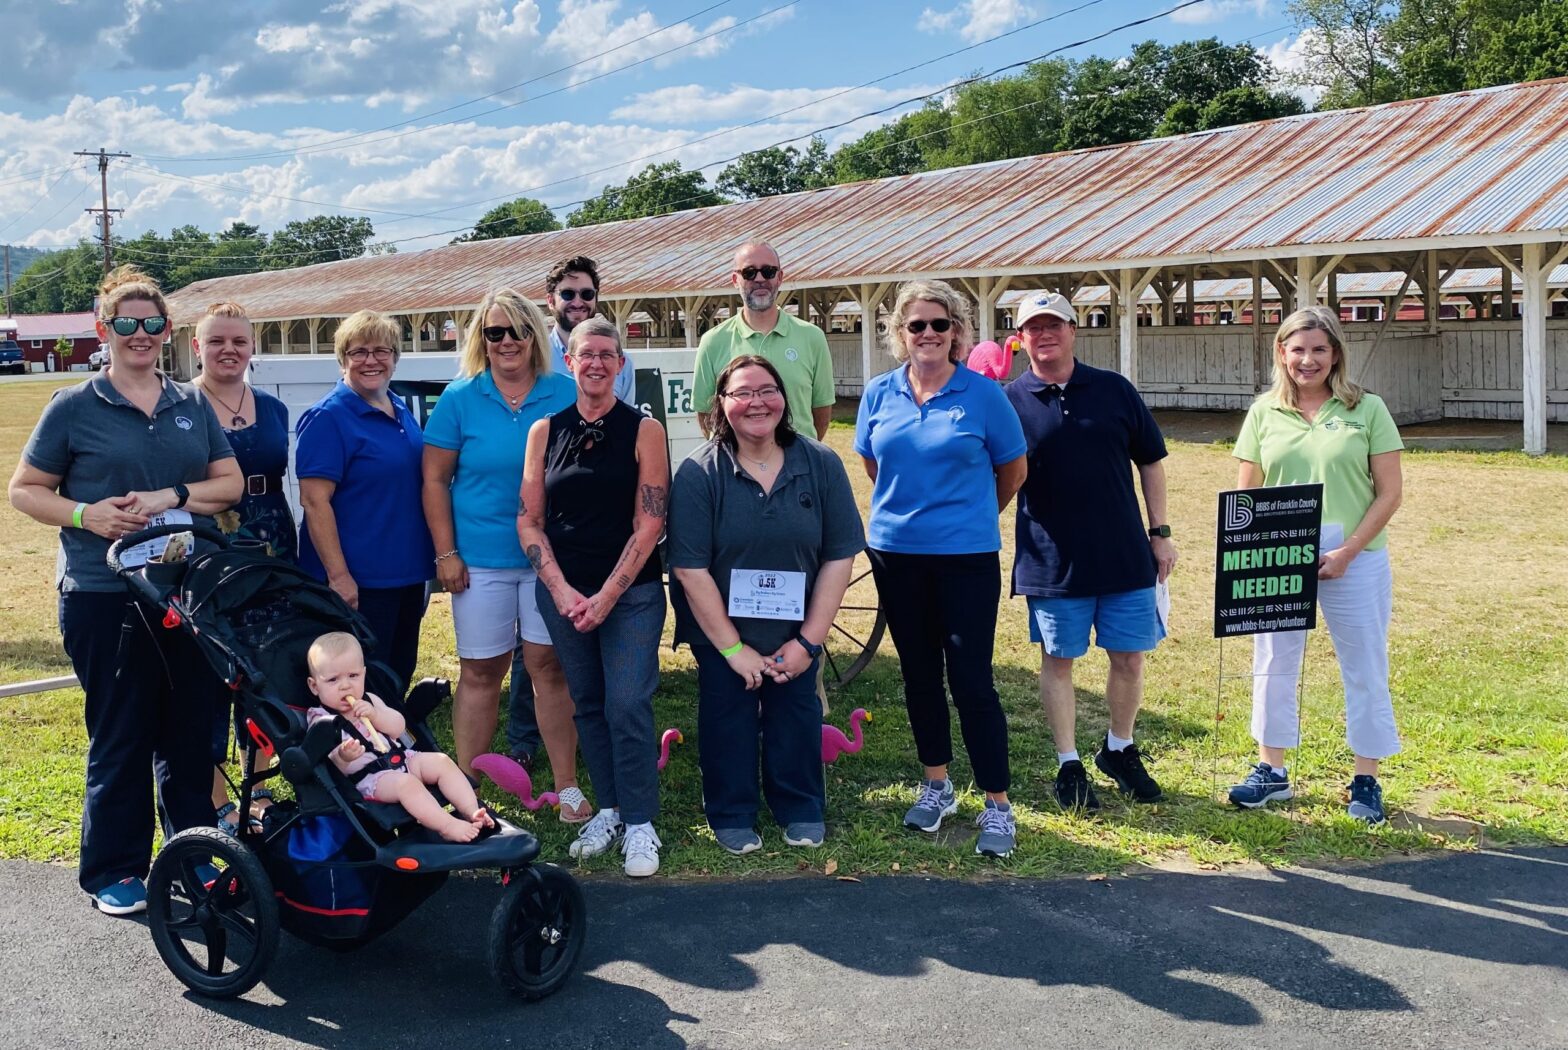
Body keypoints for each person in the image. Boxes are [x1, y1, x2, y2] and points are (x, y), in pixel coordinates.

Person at [8, 265, 243, 915]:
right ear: (102, 328)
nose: (139, 334)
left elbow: (228, 484)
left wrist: (173, 495)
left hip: (185, 591)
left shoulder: (190, 403)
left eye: (151, 323)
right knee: (123, 733)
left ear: (167, 330)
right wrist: (86, 515)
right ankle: (115, 870)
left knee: (190, 734)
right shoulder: (73, 407)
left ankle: (192, 855)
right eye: (125, 323)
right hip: (102, 594)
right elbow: (25, 490)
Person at [854, 279, 1027, 858]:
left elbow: (1013, 471)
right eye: (916, 325)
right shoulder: (879, 393)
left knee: (972, 680)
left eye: (939, 324)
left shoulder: (984, 395)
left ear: (956, 331)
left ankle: (997, 804)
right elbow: (874, 464)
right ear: (900, 333)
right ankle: (937, 785)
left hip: (966, 559)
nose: (928, 334)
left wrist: (970, 516)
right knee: (919, 675)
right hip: (896, 556)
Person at [669, 355, 863, 855]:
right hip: (723, 633)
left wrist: (808, 642)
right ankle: (732, 811)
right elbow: (689, 568)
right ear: (721, 404)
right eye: (742, 393)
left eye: (766, 390)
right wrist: (734, 651)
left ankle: (800, 806)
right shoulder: (698, 472)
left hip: (795, 630)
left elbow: (839, 557)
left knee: (796, 713)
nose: (756, 402)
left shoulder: (820, 464)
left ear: (783, 398)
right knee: (726, 715)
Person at [1228, 305, 1404, 825]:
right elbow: (1248, 496)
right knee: (1273, 661)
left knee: (1365, 665)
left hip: (1356, 556)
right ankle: (1271, 769)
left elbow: (1390, 492)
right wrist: (1251, 559)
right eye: (1298, 349)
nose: (1308, 360)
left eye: (1319, 350)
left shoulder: (1367, 409)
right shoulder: (1264, 412)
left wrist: (1348, 551)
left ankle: (1366, 778)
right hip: (1282, 553)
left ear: (1335, 354)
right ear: (1281, 352)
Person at [1004, 291, 1177, 813]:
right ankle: (1069, 763)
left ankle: (1119, 748)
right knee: (1059, 661)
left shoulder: (1114, 389)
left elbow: (1150, 461)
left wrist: (1160, 532)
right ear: (1021, 338)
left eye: (1054, 324)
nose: (1045, 334)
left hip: (1123, 554)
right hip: (1052, 560)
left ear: (1074, 330)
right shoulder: (1008, 402)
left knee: (1129, 657)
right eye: (1034, 327)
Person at [421, 288, 589, 820]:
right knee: (480, 671)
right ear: (482, 339)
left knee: (549, 668)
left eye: (517, 330)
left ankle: (567, 787)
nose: (507, 341)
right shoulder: (459, 397)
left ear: (534, 335)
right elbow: (434, 479)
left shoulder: (565, 392)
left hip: (550, 562)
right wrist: (445, 553)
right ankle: (465, 790)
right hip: (479, 561)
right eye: (495, 332)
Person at [518, 317, 670, 875]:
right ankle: (609, 809)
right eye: (587, 354)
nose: (597, 363)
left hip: (631, 595)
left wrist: (605, 595)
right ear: (570, 362)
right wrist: (561, 590)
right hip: (564, 595)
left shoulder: (644, 430)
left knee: (627, 702)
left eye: (608, 354)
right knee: (587, 701)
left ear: (620, 364)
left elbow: (650, 522)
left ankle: (641, 822)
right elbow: (528, 521)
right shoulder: (544, 431)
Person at [191, 300, 298, 835]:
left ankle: (255, 784)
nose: (228, 350)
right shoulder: (182, 405)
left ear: (253, 346)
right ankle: (217, 798)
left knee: (266, 665)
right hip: (212, 543)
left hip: (273, 540)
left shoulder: (273, 408)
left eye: (238, 341)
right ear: (197, 347)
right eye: (217, 341)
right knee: (213, 668)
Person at [296, 310, 434, 695]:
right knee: (360, 685)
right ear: (342, 359)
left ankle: (393, 734)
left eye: (381, 351)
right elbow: (314, 502)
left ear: (395, 357)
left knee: (396, 673)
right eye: (358, 352)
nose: (371, 360)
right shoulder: (328, 417)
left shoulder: (399, 408)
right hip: (360, 582)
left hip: (405, 573)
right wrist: (339, 577)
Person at [305, 632, 494, 843]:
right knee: (406, 784)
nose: (345, 685)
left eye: (353, 676)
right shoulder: (321, 720)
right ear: (314, 686)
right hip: (371, 779)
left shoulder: (370, 700)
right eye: (333, 680)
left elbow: (398, 728)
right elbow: (330, 769)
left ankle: (471, 809)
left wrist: (376, 715)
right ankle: (447, 826)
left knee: (441, 761)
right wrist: (343, 756)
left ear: (364, 674)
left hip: (401, 758)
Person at [692, 240, 835, 441]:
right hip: (733, 458)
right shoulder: (712, 342)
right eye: (749, 272)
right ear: (735, 280)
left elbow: (821, 413)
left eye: (768, 271)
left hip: (797, 457)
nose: (759, 279)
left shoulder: (812, 338)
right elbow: (705, 415)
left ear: (780, 277)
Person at [545, 255, 635, 406]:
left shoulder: (622, 363)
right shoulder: (533, 360)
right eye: (568, 294)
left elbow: (626, 418)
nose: (577, 302)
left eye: (587, 294)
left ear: (596, 298)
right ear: (550, 300)